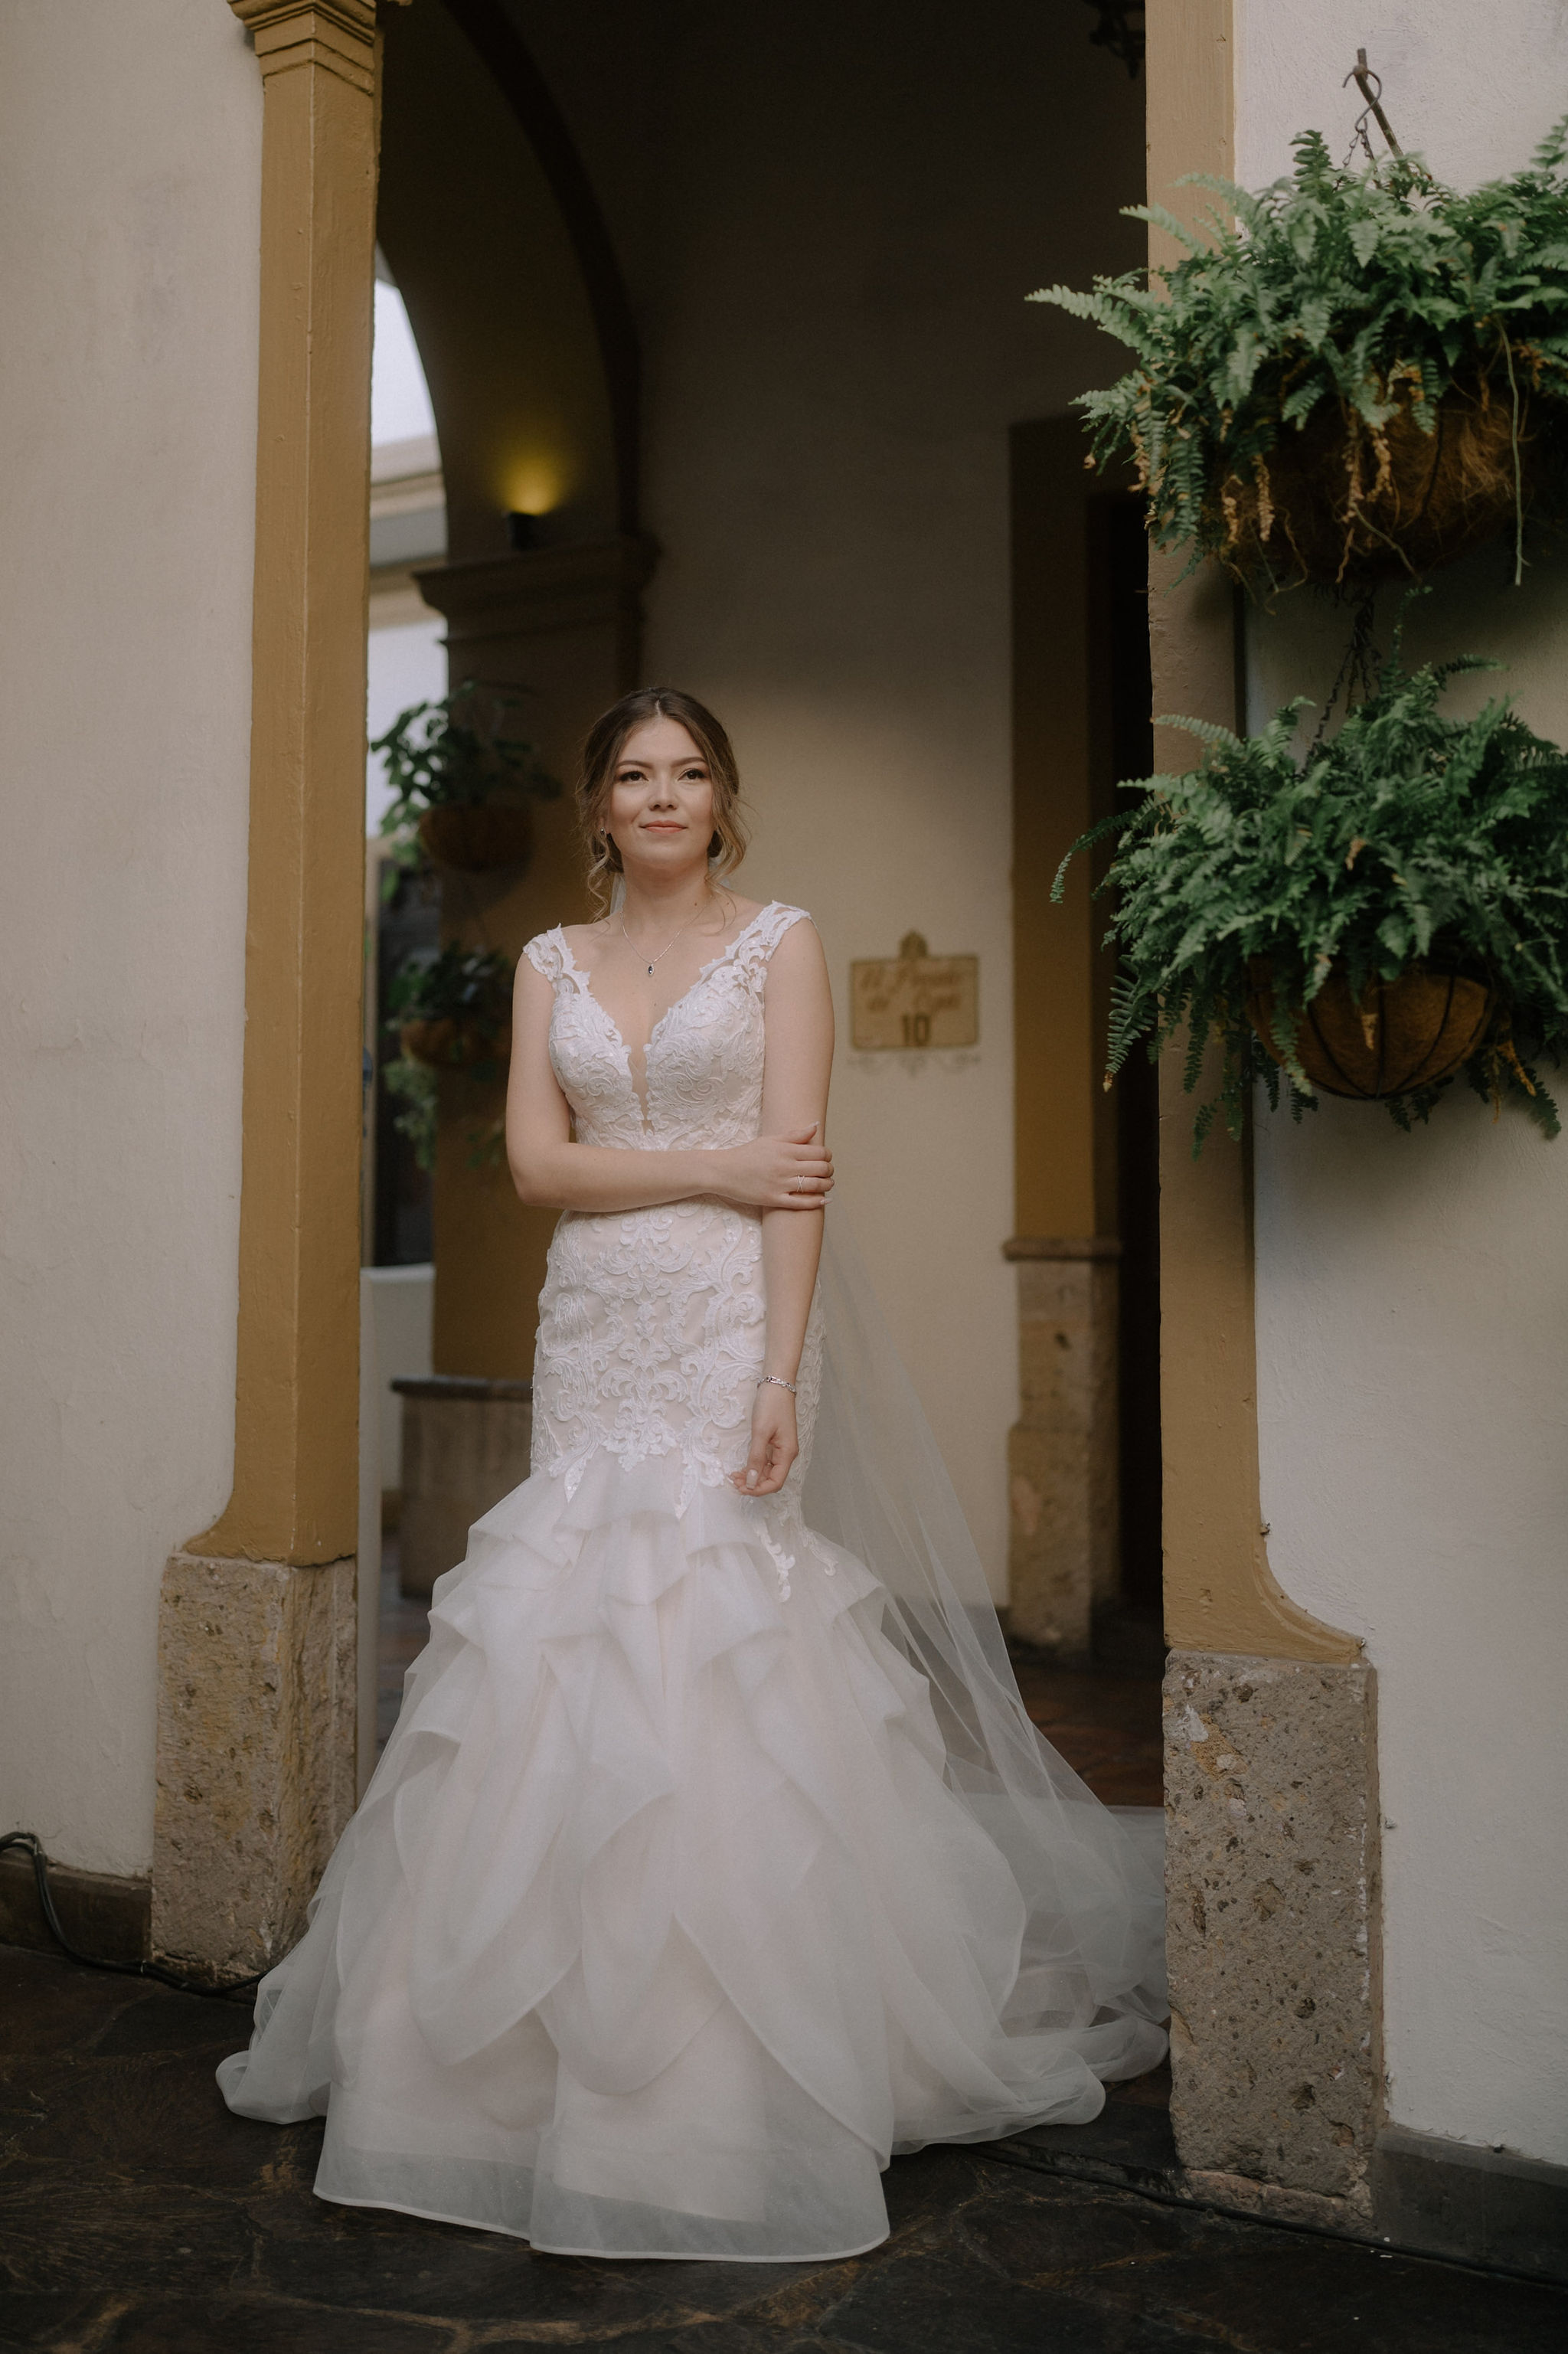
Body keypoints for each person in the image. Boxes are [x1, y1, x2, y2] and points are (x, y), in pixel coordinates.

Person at [218, 687, 1167, 2261]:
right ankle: (507, 2072)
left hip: (730, 1323)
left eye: (691, 773)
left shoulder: (780, 939)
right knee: (562, 1637)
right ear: (597, 809)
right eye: (635, 775)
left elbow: (799, 1182)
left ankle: (728, 2078)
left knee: (724, 1643)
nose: (663, 796)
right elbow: (538, 1167)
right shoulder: (543, 965)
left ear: (723, 803)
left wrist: (780, 1370)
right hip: (595, 1328)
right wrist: (714, 1164)